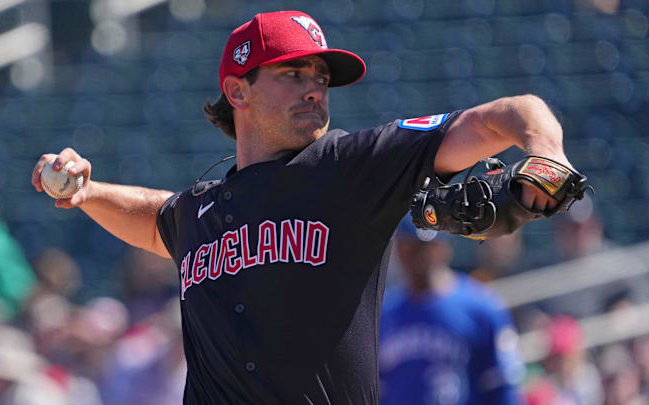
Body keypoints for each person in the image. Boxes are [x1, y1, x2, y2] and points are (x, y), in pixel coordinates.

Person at [31, 10, 576, 404]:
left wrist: (546, 152)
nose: (315, 89)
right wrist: (88, 192)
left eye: (320, 78)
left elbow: (506, 114)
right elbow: (157, 218)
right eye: (293, 74)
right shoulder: (201, 211)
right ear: (237, 92)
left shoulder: (353, 167)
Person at [379, 216, 524, 405]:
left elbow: (502, 384)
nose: (420, 257)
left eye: (427, 247)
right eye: (411, 247)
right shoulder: (385, 313)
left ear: (444, 248)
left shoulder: (481, 306)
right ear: (399, 250)